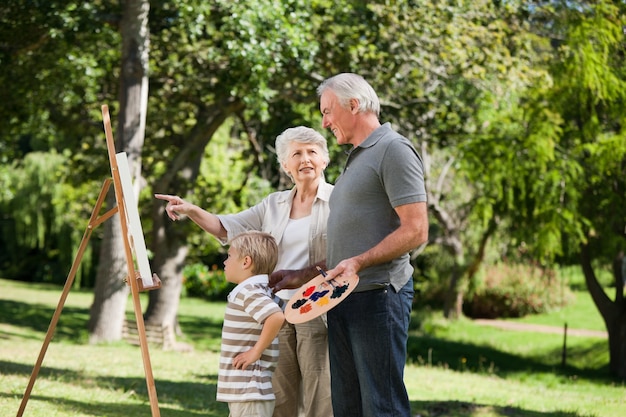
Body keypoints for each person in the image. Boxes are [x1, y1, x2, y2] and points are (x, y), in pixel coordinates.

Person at [271, 73, 429, 417]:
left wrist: (358, 263)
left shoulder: (393, 150)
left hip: (379, 296)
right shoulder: (356, 158)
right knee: (347, 407)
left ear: (353, 105)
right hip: (342, 299)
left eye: (328, 111)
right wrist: (304, 275)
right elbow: (353, 243)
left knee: (380, 406)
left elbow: (416, 230)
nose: (325, 121)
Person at [155, 125, 334, 417]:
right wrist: (192, 211)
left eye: (312, 152)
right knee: (279, 396)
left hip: (318, 309)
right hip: (276, 309)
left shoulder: (338, 202)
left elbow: (346, 257)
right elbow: (227, 227)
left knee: (320, 395)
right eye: (297, 154)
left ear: (324, 159)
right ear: (285, 165)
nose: (305, 160)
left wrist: (304, 275)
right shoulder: (273, 205)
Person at [217, 230, 285, 417]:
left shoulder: (249, 292)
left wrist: (255, 351)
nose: (225, 261)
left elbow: (276, 317)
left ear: (246, 262)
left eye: (229, 256)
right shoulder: (261, 291)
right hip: (248, 391)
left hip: (249, 389)